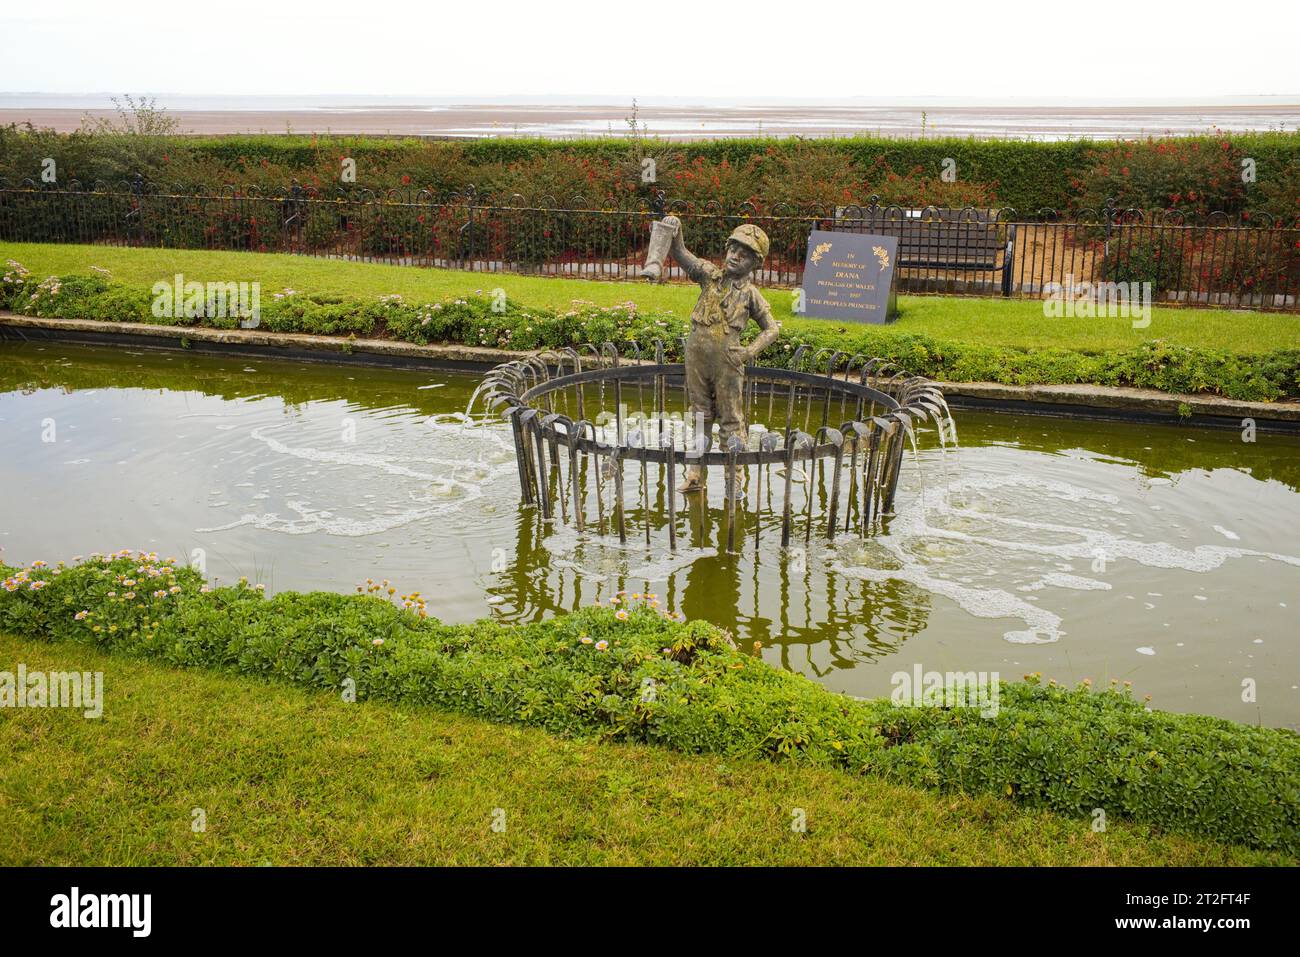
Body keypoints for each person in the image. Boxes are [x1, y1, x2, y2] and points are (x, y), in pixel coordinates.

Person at [666, 218, 780, 492]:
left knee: (731, 419)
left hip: (728, 361)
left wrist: (748, 352)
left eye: (745, 254)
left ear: (755, 263)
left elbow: (772, 329)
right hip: (696, 355)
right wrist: (677, 231)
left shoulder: (750, 294)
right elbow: (681, 255)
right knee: (700, 415)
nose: (736, 256)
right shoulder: (709, 276)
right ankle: (694, 474)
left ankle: (734, 477)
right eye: (734, 249)